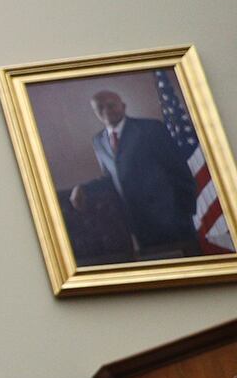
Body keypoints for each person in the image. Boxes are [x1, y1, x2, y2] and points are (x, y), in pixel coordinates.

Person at [69, 89, 200, 258]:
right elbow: (112, 178)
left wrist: (185, 211)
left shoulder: (151, 128)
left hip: (171, 217)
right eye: (100, 108)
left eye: (111, 105)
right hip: (138, 221)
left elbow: (178, 169)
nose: (106, 111)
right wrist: (83, 188)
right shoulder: (99, 141)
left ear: (123, 106)